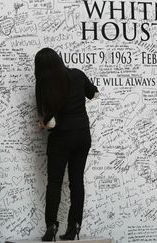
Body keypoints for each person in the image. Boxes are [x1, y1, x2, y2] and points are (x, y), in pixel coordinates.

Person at [34, 47, 99, 241]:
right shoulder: (77, 74)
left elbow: (51, 122)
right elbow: (94, 94)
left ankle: (51, 227)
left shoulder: (46, 85)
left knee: (54, 183)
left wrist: (42, 123)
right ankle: (75, 226)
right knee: (76, 181)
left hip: (61, 138)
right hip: (82, 136)